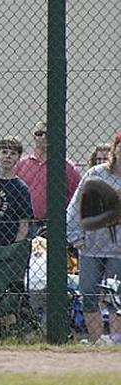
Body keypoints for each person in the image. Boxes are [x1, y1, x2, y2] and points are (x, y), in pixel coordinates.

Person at [66, 134, 121, 345]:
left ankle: (115, 342)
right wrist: (76, 238)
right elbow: (75, 208)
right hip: (90, 247)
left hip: (117, 250)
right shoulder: (95, 174)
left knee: (115, 296)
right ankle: (96, 340)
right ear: (114, 149)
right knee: (88, 293)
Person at [15, 119, 82, 237]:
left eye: (48, 133)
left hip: (56, 226)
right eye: (39, 133)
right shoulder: (21, 165)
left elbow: (77, 198)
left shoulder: (67, 167)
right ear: (34, 137)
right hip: (26, 226)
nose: (43, 137)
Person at [0, 137, 33, 246]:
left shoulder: (21, 188)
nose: (8, 156)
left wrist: (15, 246)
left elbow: (24, 223)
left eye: (13, 153)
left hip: (9, 243)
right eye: (4, 152)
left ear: (18, 158)